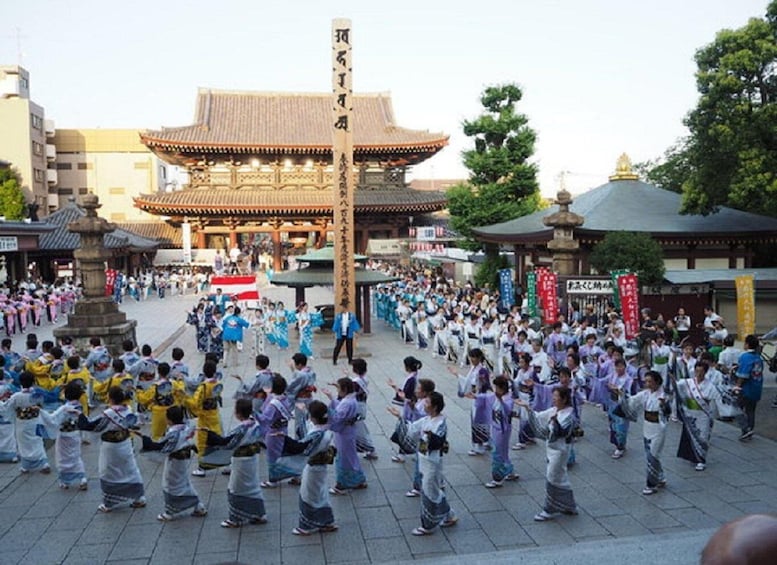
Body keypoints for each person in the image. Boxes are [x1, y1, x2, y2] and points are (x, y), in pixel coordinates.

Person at [396, 391, 457, 536]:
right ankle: (449, 514)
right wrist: (400, 417)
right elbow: (412, 428)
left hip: (432, 462)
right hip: (424, 460)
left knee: (429, 491)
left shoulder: (441, 423)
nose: (424, 404)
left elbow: (438, 440)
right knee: (433, 490)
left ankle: (428, 525)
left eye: (427, 403)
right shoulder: (426, 420)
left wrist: (431, 436)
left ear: (435, 407)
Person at [78, 386, 146, 512]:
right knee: (130, 469)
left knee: (108, 472)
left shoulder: (109, 414)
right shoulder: (128, 409)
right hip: (125, 443)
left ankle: (109, 503)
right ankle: (139, 497)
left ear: (110, 398)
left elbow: (92, 427)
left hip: (111, 447)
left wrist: (80, 415)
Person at [515, 387, 578, 521]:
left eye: (556, 397)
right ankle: (569, 505)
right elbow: (538, 416)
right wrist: (527, 407)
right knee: (561, 477)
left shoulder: (569, 415)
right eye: (553, 396)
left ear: (564, 399)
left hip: (560, 451)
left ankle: (550, 508)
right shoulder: (554, 410)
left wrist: (555, 422)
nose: (553, 399)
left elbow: (563, 432)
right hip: (552, 449)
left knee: (552, 477)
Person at [204, 398, 267, 528]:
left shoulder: (241, 429)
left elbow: (227, 443)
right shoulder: (255, 423)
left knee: (236, 488)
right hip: (253, 457)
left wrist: (209, 435)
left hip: (241, 460)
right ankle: (259, 514)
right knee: (253, 486)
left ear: (238, 413)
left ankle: (236, 518)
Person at [140, 405, 207, 522]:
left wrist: (146, 440)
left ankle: (170, 511)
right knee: (184, 482)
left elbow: (161, 447)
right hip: (183, 459)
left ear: (169, 420)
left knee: (171, 485)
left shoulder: (173, 434)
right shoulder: (186, 428)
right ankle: (198, 506)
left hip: (175, 461)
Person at [280, 399, 338, 535]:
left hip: (312, 467)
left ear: (313, 418)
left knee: (308, 495)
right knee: (321, 494)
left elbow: (300, 447)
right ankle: (327, 521)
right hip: (321, 467)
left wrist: (284, 438)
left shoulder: (316, 434)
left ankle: (308, 525)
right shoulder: (326, 429)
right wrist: (305, 410)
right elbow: (310, 426)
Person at [615, 370, 671, 495]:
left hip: (658, 428)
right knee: (651, 454)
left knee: (653, 454)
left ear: (657, 381)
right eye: (646, 381)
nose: (648, 384)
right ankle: (660, 477)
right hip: (647, 426)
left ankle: (651, 484)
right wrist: (622, 394)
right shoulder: (645, 394)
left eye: (650, 381)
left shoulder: (663, 395)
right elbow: (632, 401)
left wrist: (664, 406)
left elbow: (668, 411)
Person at [470, 376, 519, 488]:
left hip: (502, 429)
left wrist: (501, 400)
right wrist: (475, 396)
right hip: (497, 427)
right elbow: (486, 397)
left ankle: (497, 478)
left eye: (497, 387)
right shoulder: (495, 396)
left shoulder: (508, 399)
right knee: (503, 452)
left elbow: (507, 411)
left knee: (497, 453)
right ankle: (510, 472)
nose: (495, 389)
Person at [672, 361, 720, 471]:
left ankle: (701, 460)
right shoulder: (687, 382)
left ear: (705, 372)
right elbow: (676, 386)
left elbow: (718, 396)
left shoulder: (710, 386)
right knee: (690, 435)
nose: (698, 373)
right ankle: (692, 456)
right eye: (696, 371)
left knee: (702, 436)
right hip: (690, 413)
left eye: (701, 371)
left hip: (703, 414)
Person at [40, 381, 88, 490]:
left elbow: (52, 419)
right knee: (76, 456)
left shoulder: (64, 408)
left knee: (62, 458)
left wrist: (41, 411)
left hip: (64, 434)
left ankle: (65, 481)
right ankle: (82, 478)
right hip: (75, 434)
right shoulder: (79, 406)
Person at [0, 371, 50, 474]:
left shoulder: (16, 396)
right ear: (33, 381)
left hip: (21, 422)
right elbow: (42, 405)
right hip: (36, 420)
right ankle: (44, 463)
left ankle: (26, 466)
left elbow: (6, 407)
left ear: (20, 382)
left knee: (23, 444)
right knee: (38, 441)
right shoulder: (37, 394)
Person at [324, 377, 367, 494]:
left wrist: (326, 412)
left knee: (344, 458)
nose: (337, 391)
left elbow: (337, 416)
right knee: (351, 456)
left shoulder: (347, 402)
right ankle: (358, 480)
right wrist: (331, 398)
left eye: (338, 388)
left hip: (343, 433)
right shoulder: (351, 400)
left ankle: (342, 484)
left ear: (344, 389)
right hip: (349, 431)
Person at [449, 348, 492, 456]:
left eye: (474, 357)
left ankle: (479, 446)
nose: (472, 359)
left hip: (480, 398)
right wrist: (457, 375)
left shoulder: (482, 371)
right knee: (481, 420)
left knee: (478, 421)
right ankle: (486, 441)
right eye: (471, 357)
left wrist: (476, 394)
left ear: (479, 358)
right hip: (475, 397)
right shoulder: (474, 369)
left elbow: (483, 386)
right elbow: (468, 381)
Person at [187, 361, 224, 476]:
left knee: (202, 442)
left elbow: (194, 403)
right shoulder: (217, 384)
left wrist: (185, 398)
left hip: (204, 417)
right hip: (214, 414)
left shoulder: (203, 387)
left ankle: (202, 467)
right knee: (219, 439)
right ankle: (226, 463)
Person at [387, 356, 422, 463]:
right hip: (411, 405)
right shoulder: (414, 377)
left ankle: (403, 454)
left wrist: (396, 389)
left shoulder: (411, 379)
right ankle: (414, 452)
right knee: (410, 430)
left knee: (406, 430)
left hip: (410, 407)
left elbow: (406, 394)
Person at [137, 362, 185, 440]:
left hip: (159, 412)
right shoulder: (173, 383)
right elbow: (181, 391)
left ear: (158, 372)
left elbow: (144, 399)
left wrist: (139, 392)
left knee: (157, 435)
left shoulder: (155, 386)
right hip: (172, 411)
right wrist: (180, 380)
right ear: (169, 372)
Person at [734, 334, 764, 441]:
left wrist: (737, 386)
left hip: (746, 388)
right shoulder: (758, 358)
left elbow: (743, 375)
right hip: (757, 387)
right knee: (751, 410)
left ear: (746, 344)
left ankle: (745, 429)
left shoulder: (745, 356)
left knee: (737, 408)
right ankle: (750, 429)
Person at [350, 358, 377, 461]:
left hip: (357, 407)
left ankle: (371, 449)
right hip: (362, 405)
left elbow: (351, 393)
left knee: (360, 430)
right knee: (360, 428)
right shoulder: (364, 379)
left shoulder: (356, 382)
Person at [286, 353, 317, 440]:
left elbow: (291, 387)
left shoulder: (301, 375)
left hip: (301, 399)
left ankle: (300, 440)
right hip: (309, 398)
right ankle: (308, 437)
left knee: (300, 421)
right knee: (308, 419)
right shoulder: (310, 371)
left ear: (299, 364)